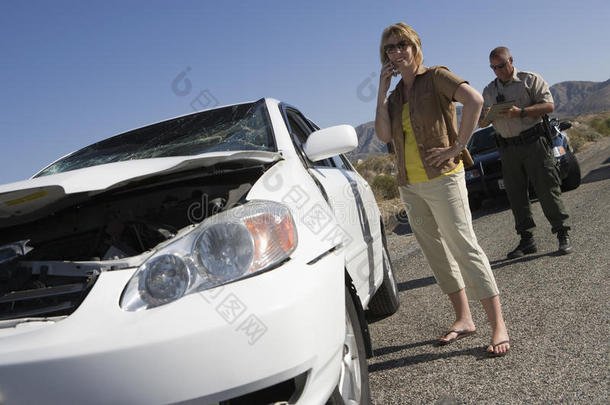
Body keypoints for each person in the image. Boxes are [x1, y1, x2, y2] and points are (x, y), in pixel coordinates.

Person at [375, 22, 510, 356]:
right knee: (436, 253)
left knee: (464, 246)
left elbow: (474, 100)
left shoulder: (435, 77)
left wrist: (458, 146)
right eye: (390, 48)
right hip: (411, 186)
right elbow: (382, 135)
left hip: (444, 179)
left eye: (402, 45)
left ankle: (498, 325)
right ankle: (463, 318)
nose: (397, 52)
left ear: (415, 46)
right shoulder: (394, 97)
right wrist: (381, 89)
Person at [479, 47, 572, 258]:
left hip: (533, 143)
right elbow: (482, 122)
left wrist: (520, 112)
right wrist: (485, 118)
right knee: (515, 195)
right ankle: (527, 240)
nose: (498, 71)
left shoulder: (529, 80)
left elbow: (548, 106)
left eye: (501, 66)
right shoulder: (489, 91)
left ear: (511, 60)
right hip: (507, 148)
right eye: (493, 68)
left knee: (547, 188)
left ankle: (562, 233)